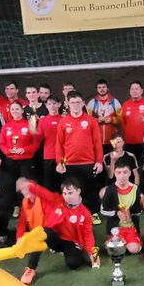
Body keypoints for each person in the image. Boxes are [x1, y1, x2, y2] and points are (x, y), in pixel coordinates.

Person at [17, 178, 101, 284]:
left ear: (78, 191)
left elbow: (88, 235)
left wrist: (94, 255)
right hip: (54, 237)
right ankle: (30, 268)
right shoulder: (57, 200)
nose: (67, 196)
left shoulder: (85, 213)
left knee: (73, 264)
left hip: (71, 241)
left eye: (70, 193)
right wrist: (29, 185)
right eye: (65, 193)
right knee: (41, 232)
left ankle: (80, 254)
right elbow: (43, 193)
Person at [56, 91, 104, 224]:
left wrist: (99, 162)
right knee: (70, 191)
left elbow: (97, 143)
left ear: (83, 103)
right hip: (69, 163)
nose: (75, 105)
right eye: (72, 102)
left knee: (90, 189)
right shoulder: (63, 122)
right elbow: (59, 144)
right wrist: (59, 162)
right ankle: (71, 215)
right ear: (67, 104)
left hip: (88, 162)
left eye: (78, 102)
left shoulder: (91, 121)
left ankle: (93, 213)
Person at [99, 161, 144, 268]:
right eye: (119, 172)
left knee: (134, 249)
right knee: (113, 249)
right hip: (115, 229)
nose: (122, 176)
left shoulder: (136, 189)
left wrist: (131, 213)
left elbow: (141, 209)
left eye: (125, 172)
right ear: (115, 173)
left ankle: (129, 241)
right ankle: (118, 241)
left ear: (130, 173)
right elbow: (103, 210)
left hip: (131, 227)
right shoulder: (110, 190)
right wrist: (116, 213)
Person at [0, 101, 41, 182]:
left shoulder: (30, 125)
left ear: (22, 110)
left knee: (27, 185)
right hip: (10, 161)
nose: (15, 111)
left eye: (17, 109)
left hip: (26, 161)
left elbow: (36, 144)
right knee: (11, 183)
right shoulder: (6, 126)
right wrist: (9, 150)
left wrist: (24, 149)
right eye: (12, 109)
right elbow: (1, 143)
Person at [121, 81, 144, 168]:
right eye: (132, 89)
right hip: (129, 143)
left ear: (141, 91)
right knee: (131, 168)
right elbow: (122, 123)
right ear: (129, 91)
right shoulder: (125, 104)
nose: (134, 91)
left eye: (136, 89)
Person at [86, 79, 121, 153]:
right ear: (96, 89)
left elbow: (121, 119)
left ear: (107, 88)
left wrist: (111, 119)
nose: (102, 89)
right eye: (99, 87)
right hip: (96, 140)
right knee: (99, 159)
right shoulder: (92, 103)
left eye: (103, 87)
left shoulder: (115, 102)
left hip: (112, 140)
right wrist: (96, 120)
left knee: (112, 158)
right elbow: (87, 120)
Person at [38, 95, 64, 191]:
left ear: (59, 104)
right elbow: (39, 139)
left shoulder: (64, 120)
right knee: (49, 184)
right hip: (48, 156)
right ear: (46, 105)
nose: (52, 106)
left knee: (63, 182)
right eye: (49, 104)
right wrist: (33, 131)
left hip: (64, 157)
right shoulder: (42, 121)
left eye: (54, 103)